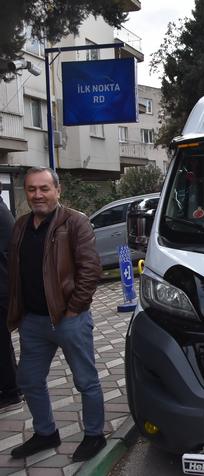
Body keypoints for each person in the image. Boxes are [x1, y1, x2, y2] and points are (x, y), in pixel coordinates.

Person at [7, 167, 105, 461]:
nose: (38, 195)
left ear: (57, 190)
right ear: (26, 193)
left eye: (44, 188)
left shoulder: (75, 222)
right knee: (29, 380)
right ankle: (46, 433)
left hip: (69, 319)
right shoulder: (21, 225)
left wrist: (74, 309)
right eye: (32, 189)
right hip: (33, 321)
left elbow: (90, 269)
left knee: (85, 380)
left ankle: (94, 435)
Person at [0, 184, 23, 413]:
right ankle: (11, 387)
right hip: (4, 288)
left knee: (1, 344)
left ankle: (11, 391)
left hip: (2, 290)